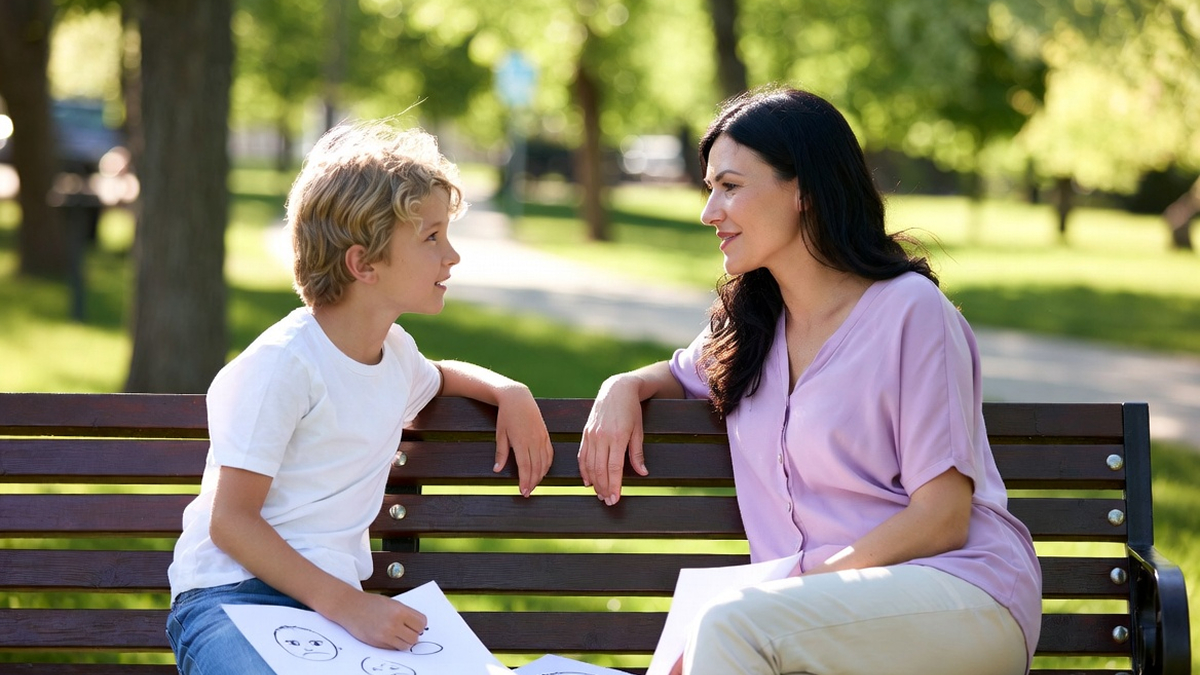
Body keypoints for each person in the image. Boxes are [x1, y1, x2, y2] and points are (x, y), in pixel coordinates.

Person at [577, 86, 1041, 675]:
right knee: (735, 624)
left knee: (731, 622)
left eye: (731, 186)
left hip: (960, 597)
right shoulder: (751, 330)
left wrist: (793, 585)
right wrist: (623, 386)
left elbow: (943, 518)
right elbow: (673, 373)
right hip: (808, 620)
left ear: (802, 190)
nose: (708, 211)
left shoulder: (911, 311)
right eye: (709, 188)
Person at [166, 121, 554, 675]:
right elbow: (232, 522)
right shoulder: (283, 365)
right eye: (431, 237)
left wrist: (508, 390)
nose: (453, 256)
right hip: (233, 599)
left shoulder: (393, 354)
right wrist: (349, 605)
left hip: (328, 614)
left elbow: (440, 376)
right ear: (363, 264)